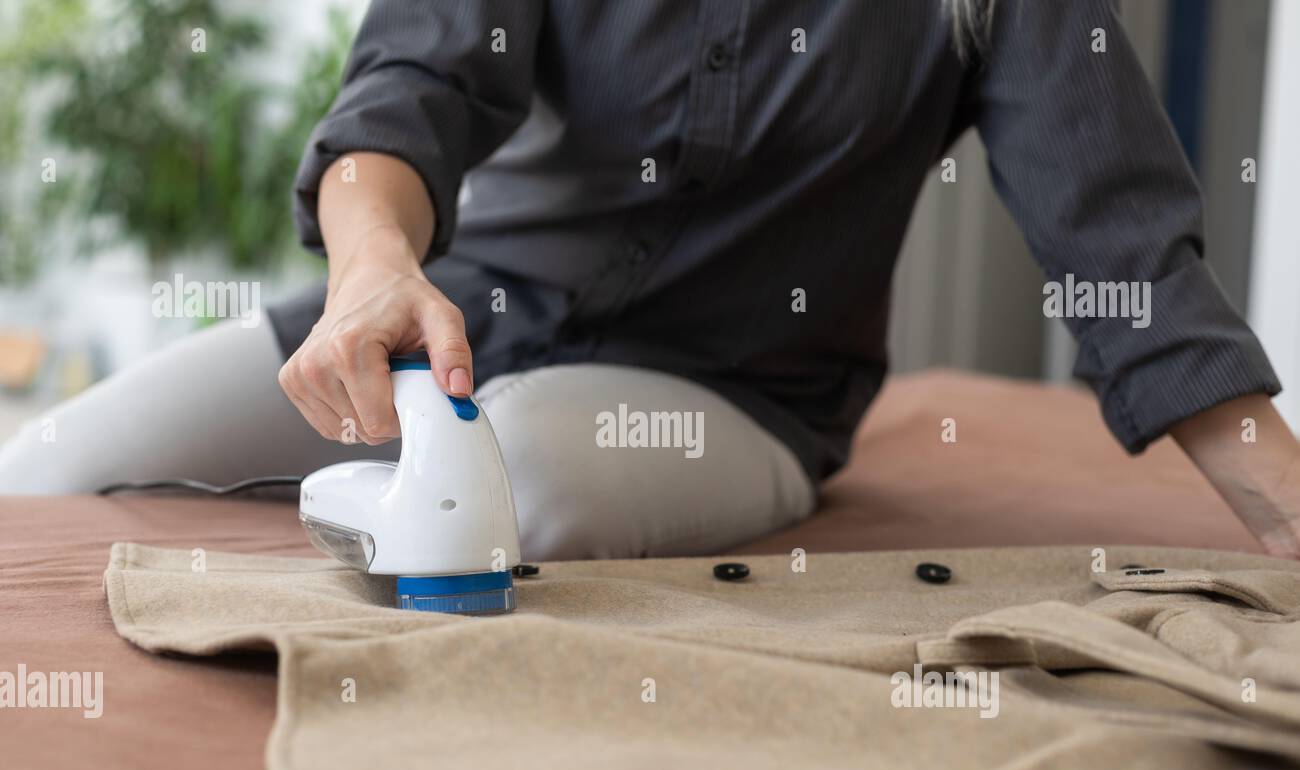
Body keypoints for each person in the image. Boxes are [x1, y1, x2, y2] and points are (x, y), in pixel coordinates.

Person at [3, 0, 1298, 562]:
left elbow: (1131, 267)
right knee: (48, 467)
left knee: (500, 495)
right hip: (445, 317)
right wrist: (371, 275)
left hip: (735, 394)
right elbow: (411, 91)